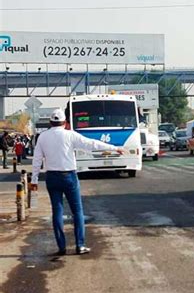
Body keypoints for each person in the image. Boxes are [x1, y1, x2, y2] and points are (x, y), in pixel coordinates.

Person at [31, 109, 125, 256]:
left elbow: (37, 160)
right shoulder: (70, 135)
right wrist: (114, 148)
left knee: (57, 211)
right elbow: (91, 144)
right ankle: (80, 245)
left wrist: (34, 180)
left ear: (50, 122)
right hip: (69, 176)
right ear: (65, 123)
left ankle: (61, 247)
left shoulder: (42, 137)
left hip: (52, 178)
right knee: (77, 211)